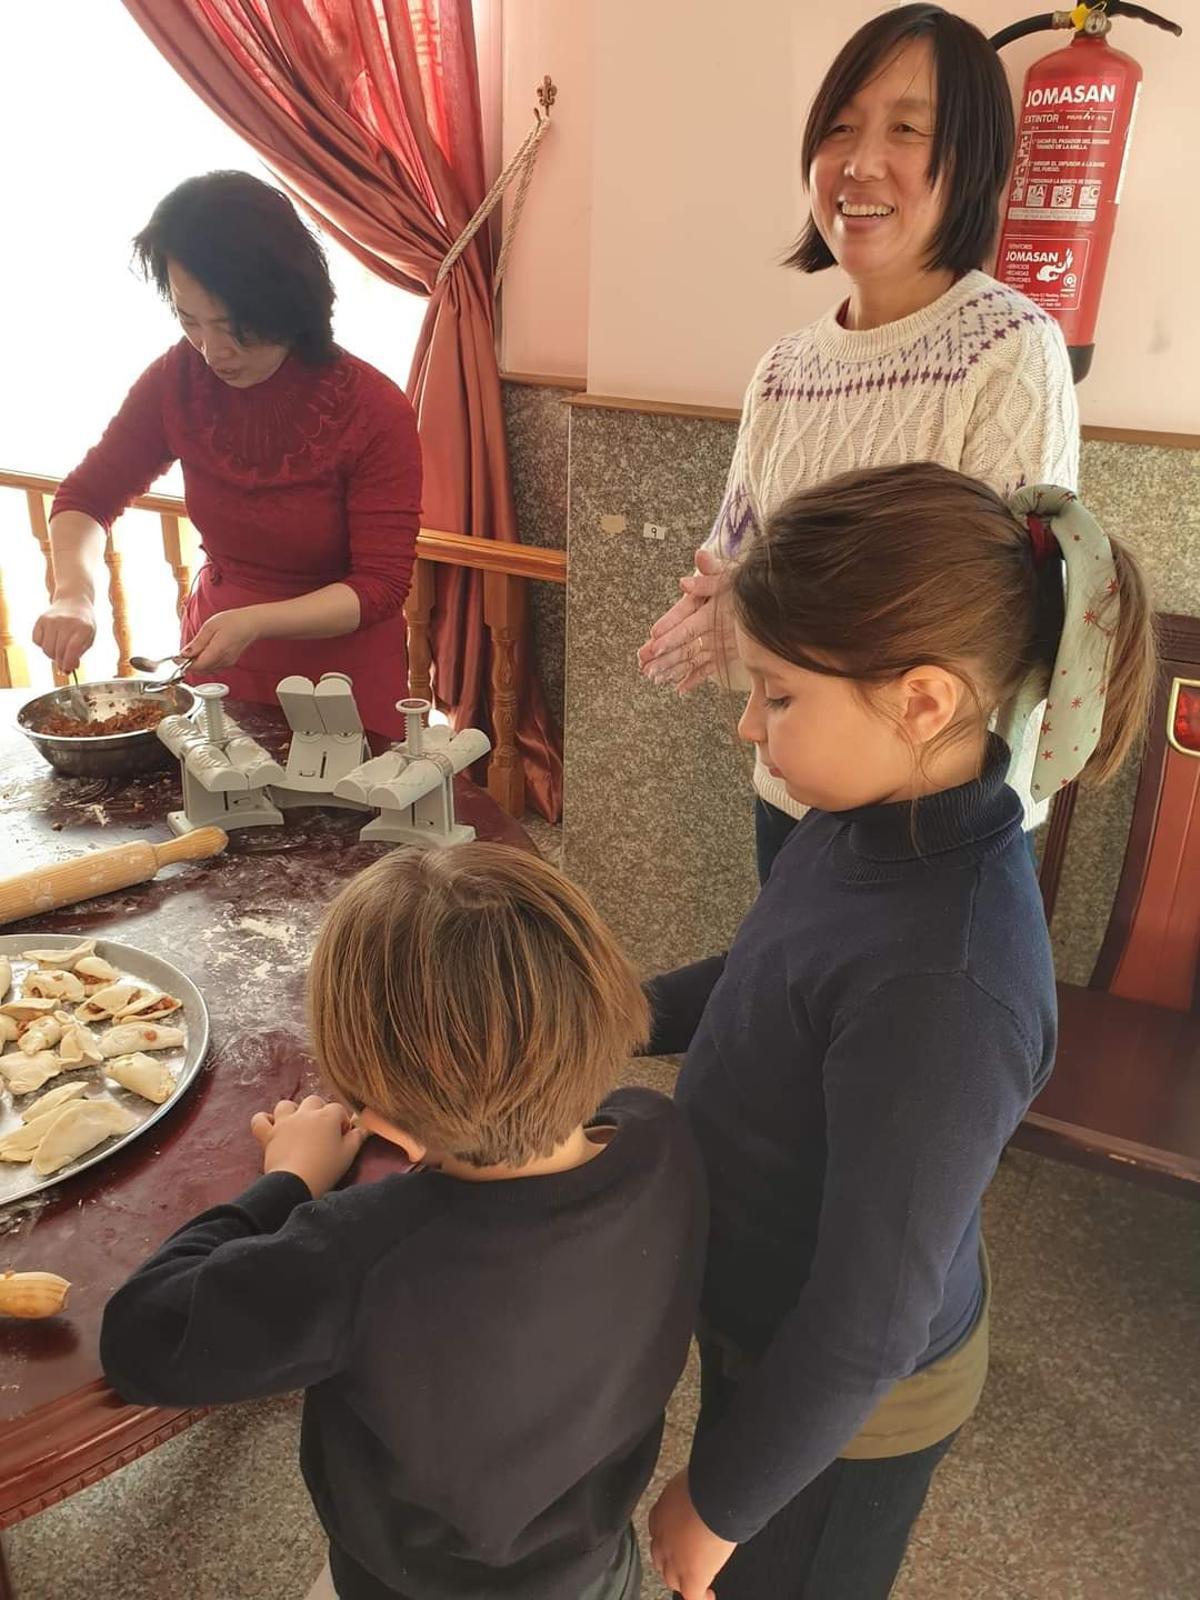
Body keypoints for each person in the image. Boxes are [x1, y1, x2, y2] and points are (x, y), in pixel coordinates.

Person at [642, 462, 1155, 1599]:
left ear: (921, 700)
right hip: (777, 1325)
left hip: (851, 1403)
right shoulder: (867, 817)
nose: (747, 724)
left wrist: (718, 1504)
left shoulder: (951, 986)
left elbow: (870, 1320)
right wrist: (632, 1010)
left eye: (777, 694)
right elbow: (777, 969)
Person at [100, 843, 706, 1600]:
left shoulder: (358, 1252)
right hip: (593, 1571)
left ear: (388, 1122)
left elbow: (143, 1340)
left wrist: (288, 1179)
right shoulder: (662, 1137)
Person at [637, 4, 1080, 882]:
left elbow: (997, 632)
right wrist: (716, 614)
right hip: (792, 797)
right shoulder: (784, 371)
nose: (860, 161)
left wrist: (761, 621)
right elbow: (738, 571)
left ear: (974, 161)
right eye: (840, 126)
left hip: (933, 825)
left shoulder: (1009, 351)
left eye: (907, 129)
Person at [32, 171, 422, 739]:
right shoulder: (178, 378)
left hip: (341, 681)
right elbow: (88, 496)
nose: (213, 351)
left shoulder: (372, 406)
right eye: (190, 322)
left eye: (235, 327)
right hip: (217, 666)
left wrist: (257, 621)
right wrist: (75, 595)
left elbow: (381, 585)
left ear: (287, 304)